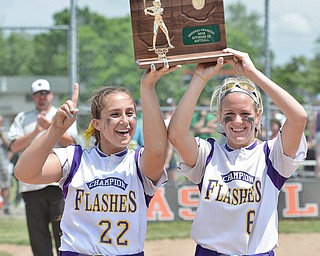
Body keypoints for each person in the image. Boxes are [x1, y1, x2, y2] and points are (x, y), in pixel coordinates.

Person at [14, 63, 180, 255]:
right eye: (115, 114)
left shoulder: (138, 163)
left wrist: (147, 87)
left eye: (130, 113)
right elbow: (23, 173)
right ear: (97, 124)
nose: (125, 120)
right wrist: (56, 130)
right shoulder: (75, 159)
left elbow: (158, 149)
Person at [168, 48, 307, 255]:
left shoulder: (271, 155)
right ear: (219, 117)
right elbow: (177, 134)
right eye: (229, 114)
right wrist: (199, 77)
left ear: (258, 115)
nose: (237, 121)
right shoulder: (209, 155)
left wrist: (252, 74)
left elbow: (298, 117)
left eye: (245, 113)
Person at [8, 79, 78, 256]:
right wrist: (36, 130)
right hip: (31, 185)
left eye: (45, 93)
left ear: (51, 95)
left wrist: (52, 127)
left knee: (63, 234)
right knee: (38, 237)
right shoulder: (23, 118)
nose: (42, 97)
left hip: (58, 184)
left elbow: (73, 143)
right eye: (38, 94)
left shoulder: (62, 113)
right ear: (33, 97)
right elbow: (14, 146)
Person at [0, 115, 14, 215]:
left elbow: (11, 147)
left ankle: (7, 206)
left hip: (4, 163)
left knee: (6, 185)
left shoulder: (6, 132)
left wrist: (1, 135)